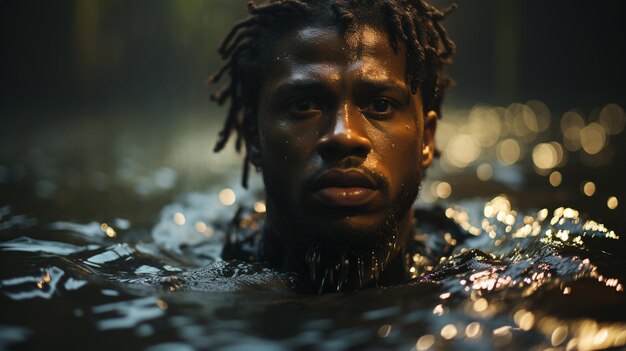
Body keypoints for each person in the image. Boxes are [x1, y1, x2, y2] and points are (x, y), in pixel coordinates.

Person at [208, 0, 456, 294]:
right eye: (304, 105)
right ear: (253, 138)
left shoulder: (480, 272)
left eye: (380, 105)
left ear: (426, 140)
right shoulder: (193, 271)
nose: (345, 135)